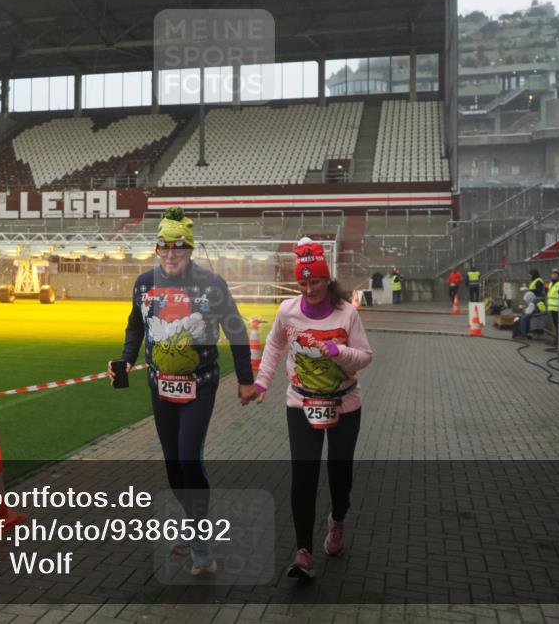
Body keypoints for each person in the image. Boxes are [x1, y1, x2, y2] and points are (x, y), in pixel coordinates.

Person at [109, 206, 255, 576]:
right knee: (174, 465)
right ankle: (192, 522)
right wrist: (126, 359)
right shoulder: (144, 283)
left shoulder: (211, 284)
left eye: (179, 247)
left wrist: (244, 379)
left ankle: (201, 543)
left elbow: (236, 331)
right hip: (160, 386)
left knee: (190, 457)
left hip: (200, 386)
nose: (171, 254)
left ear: (190, 249)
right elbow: (135, 328)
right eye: (164, 247)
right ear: (156, 249)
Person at [246, 238, 373, 579]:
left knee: (339, 474)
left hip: (344, 403)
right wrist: (261, 383)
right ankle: (303, 550)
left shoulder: (347, 314)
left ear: (327, 280)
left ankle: (337, 520)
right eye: (302, 283)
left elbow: (365, 357)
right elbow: (274, 346)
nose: (309, 289)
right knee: (304, 475)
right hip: (301, 402)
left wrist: (338, 353)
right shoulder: (288, 311)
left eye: (315, 281)